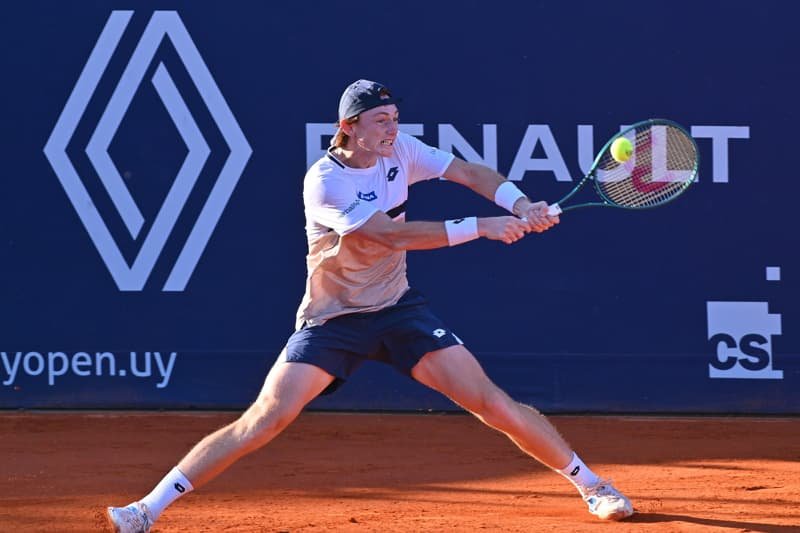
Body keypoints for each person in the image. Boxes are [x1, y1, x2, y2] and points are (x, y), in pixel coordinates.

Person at [106, 79, 633, 532]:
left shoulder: (401, 151)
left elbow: (470, 173)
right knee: (265, 418)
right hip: (332, 320)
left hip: (398, 309)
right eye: (381, 120)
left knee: (490, 402)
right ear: (349, 127)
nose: (392, 129)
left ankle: (593, 485)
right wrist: (484, 227)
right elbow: (388, 236)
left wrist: (519, 204)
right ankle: (146, 509)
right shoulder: (326, 181)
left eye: (395, 118)